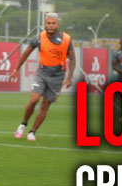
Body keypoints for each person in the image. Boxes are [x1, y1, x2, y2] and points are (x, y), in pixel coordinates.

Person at [9, 13, 75, 141]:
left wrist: (69, 77)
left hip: (58, 76)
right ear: (45, 24)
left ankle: (32, 132)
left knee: (45, 106)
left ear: (58, 24)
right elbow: (26, 54)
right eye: (48, 23)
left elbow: (72, 59)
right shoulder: (38, 38)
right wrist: (16, 69)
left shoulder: (66, 39)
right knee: (34, 99)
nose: (50, 26)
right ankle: (23, 124)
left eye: (53, 23)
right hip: (42, 73)